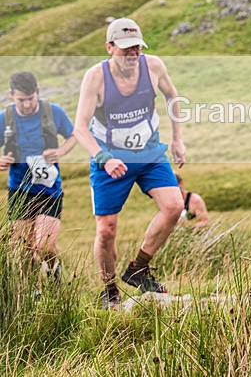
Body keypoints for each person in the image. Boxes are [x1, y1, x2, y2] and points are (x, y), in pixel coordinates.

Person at [73, 17, 187, 308]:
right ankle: (109, 288)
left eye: (136, 47)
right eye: (125, 49)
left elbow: (173, 97)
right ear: (109, 47)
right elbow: (80, 128)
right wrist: (104, 158)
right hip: (110, 158)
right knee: (106, 229)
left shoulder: (154, 66)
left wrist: (177, 140)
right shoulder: (95, 77)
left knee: (174, 205)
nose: (132, 54)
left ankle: (139, 267)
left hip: (148, 153)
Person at [0, 71, 77, 281]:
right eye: (21, 100)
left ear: (38, 92)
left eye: (30, 99)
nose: (26, 105)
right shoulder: (4, 118)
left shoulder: (53, 113)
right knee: (23, 249)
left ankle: (54, 270)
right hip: (19, 190)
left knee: (44, 245)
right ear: (11, 95)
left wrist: (60, 152)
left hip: (49, 189)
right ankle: (32, 291)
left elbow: (72, 136)